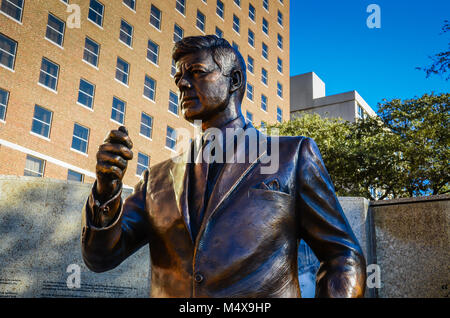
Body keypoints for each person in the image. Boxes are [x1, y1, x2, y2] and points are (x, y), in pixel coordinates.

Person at [81, 35, 366, 298]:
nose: (181, 83)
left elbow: (343, 256)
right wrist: (107, 190)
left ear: (234, 80)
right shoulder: (156, 179)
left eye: (196, 72)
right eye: (179, 76)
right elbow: (100, 257)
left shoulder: (291, 155)